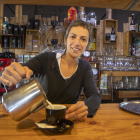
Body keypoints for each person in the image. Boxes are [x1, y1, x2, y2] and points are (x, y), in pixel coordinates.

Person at [0, 19, 101, 121]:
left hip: (67, 119)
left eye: (83, 39)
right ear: (65, 40)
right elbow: (23, 69)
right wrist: (9, 73)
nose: (77, 43)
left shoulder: (85, 67)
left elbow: (94, 96)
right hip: (40, 119)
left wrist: (86, 108)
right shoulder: (46, 58)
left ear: (87, 45)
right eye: (73, 37)